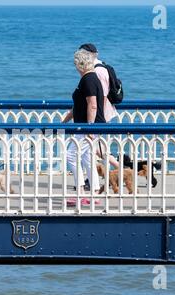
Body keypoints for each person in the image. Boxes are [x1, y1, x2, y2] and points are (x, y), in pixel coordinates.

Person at [63, 48, 105, 206]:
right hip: (90, 126)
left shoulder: (88, 80)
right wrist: (65, 121)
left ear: (79, 64)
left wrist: (89, 128)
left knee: (71, 156)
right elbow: (79, 105)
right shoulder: (91, 78)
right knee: (87, 159)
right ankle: (94, 193)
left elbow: (92, 106)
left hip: (87, 127)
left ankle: (80, 193)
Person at [78, 43, 120, 191]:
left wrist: (94, 119)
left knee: (93, 148)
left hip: (99, 115)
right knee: (94, 148)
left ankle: (117, 170)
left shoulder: (98, 71)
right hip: (99, 113)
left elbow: (98, 97)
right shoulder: (99, 67)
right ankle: (98, 177)